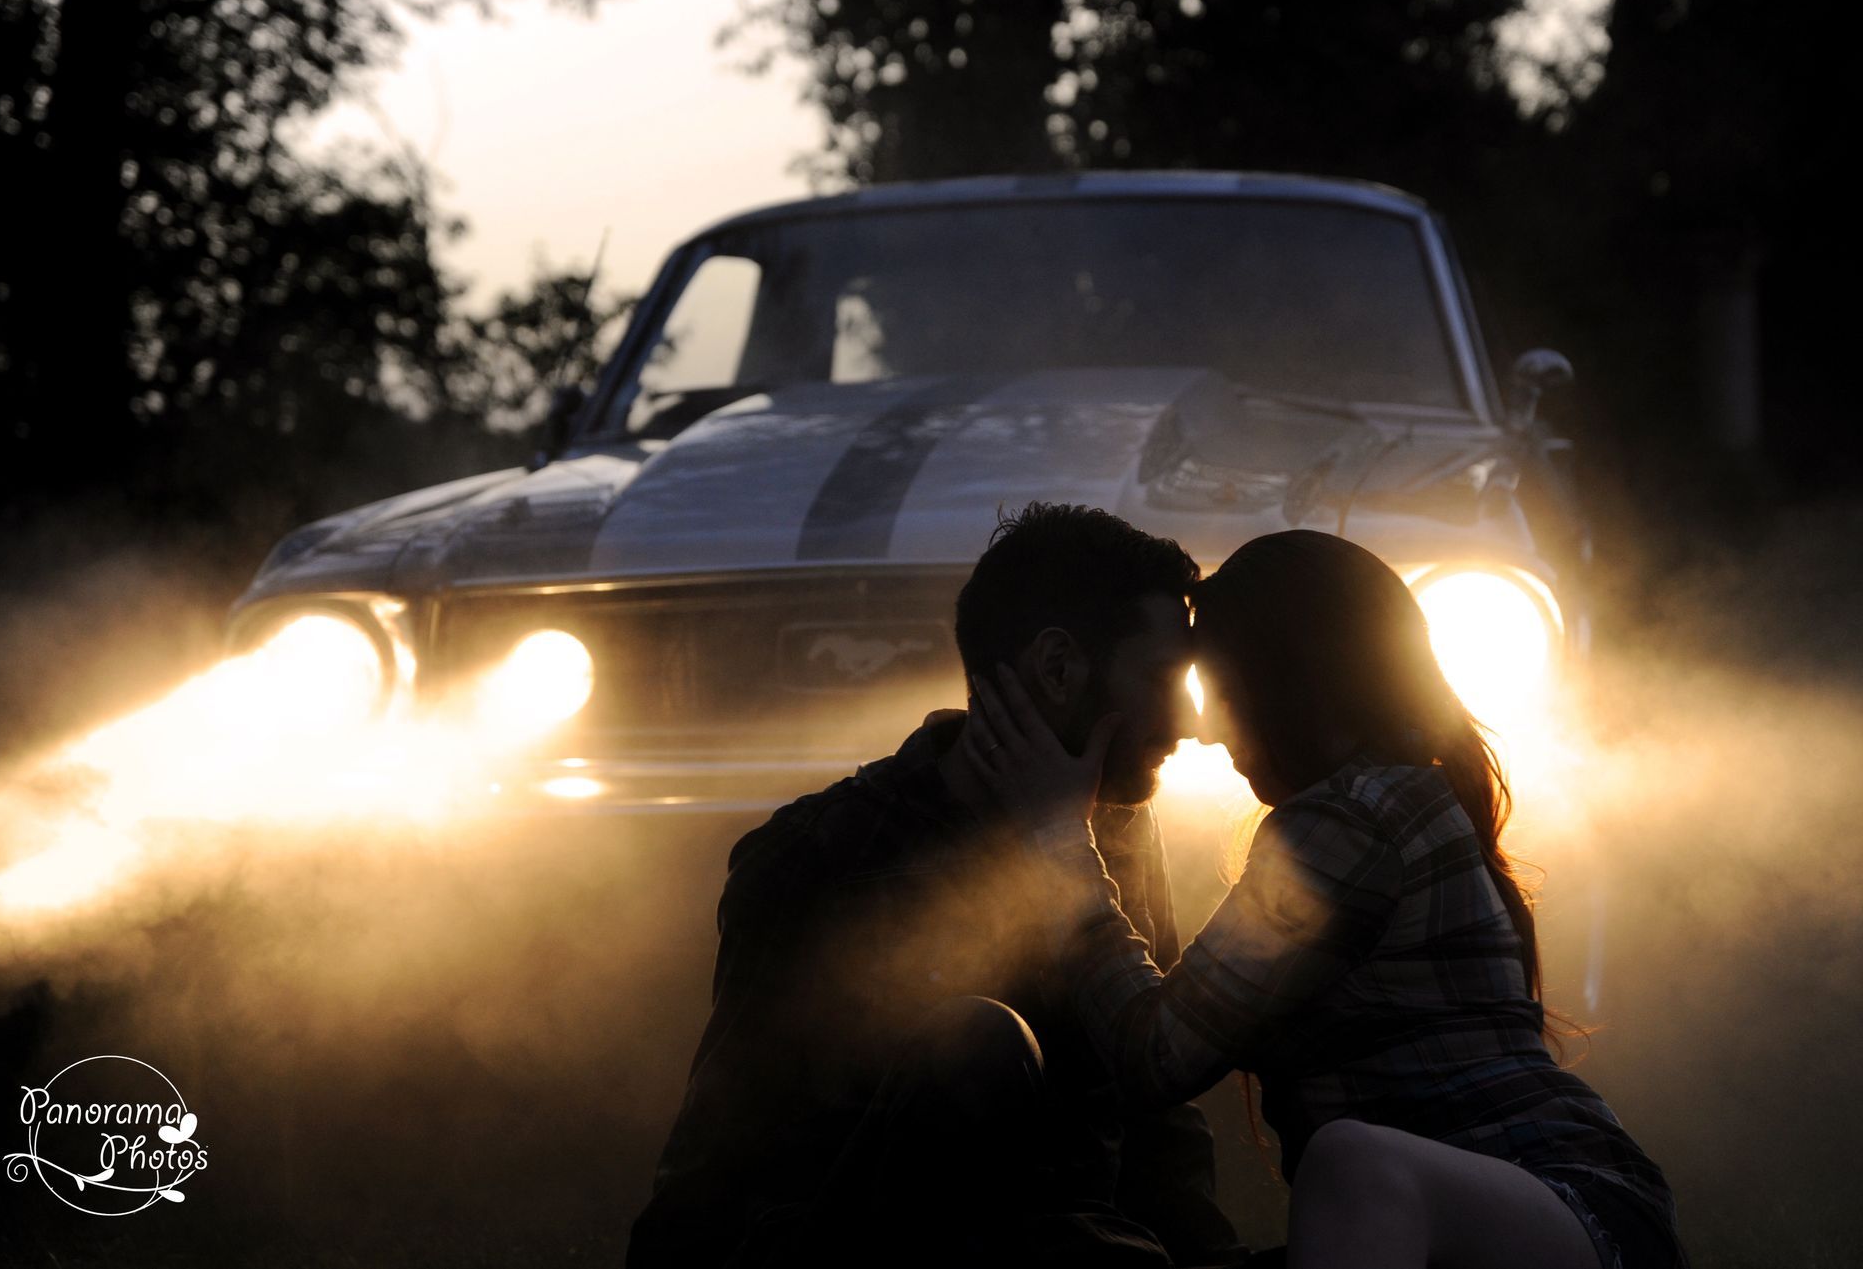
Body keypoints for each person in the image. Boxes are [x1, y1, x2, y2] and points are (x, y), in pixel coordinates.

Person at [961, 529, 1687, 1269]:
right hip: (1518, 1223)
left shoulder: (1353, 820)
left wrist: (1059, 840)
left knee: (1350, 1161)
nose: (1204, 729)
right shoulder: (1388, 795)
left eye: (1221, 692)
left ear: (1289, 682)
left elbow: (1157, 1054)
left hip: (1571, 1211)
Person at [627, 504, 1248, 1269]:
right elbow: (716, 1178)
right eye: (1163, 677)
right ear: (1058, 668)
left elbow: (1155, 1117)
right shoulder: (825, 852)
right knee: (976, 1043)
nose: (1190, 719)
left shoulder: (1112, 831)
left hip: (1092, 1250)